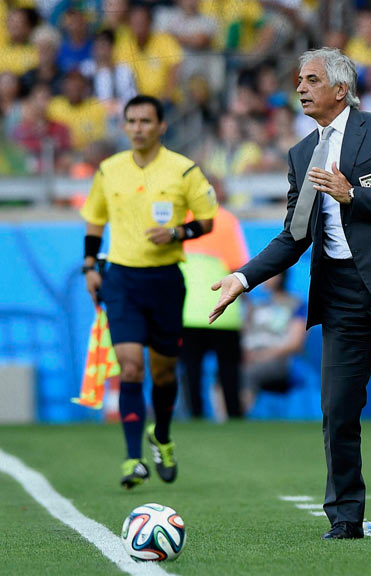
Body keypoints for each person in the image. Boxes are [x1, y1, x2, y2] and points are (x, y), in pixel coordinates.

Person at [208, 48, 371, 541]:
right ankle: (346, 517)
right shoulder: (302, 154)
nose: (301, 88)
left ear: (340, 90)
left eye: (310, 79)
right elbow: (293, 237)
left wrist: (355, 196)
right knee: (339, 407)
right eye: (298, 80)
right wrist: (240, 279)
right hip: (342, 294)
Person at [80, 94, 217, 489]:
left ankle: (162, 435)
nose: (138, 128)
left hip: (165, 280)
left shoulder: (183, 170)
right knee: (131, 366)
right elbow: (94, 222)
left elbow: (207, 220)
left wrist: (177, 232)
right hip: (121, 279)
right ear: (124, 127)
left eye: (145, 121)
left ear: (161, 126)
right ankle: (132, 459)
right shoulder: (109, 171)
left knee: (162, 371)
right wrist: (90, 267)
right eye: (131, 121)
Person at [179, 182, 250, 420]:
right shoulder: (227, 220)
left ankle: (195, 416)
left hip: (188, 311)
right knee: (229, 370)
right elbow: (238, 266)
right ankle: (234, 416)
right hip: (224, 310)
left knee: (191, 370)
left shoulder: (181, 221)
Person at [240, 270, 307, 413]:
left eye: (271, 275)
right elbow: (245, 335)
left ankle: (239, 421)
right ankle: (223, 422)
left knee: (250, 373)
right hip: (252, 357)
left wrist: (264, 355)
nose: (265, 279)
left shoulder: (295, 304)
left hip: (280, 361)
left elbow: (296, 344)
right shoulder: (255, 304)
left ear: (281, 277)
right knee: (226, 372)